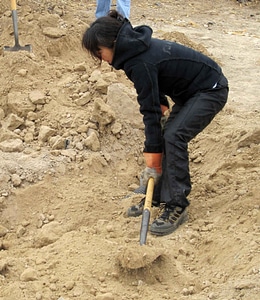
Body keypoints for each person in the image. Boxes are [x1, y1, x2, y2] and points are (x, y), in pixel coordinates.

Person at [82, 10, 229, 236]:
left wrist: (153, 160)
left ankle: (177, 205)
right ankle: (158, 196)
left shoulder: (138, 61)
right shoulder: (133, 54)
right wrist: (160, 108)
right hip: (189, 92)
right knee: (168, 133)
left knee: (173, 136)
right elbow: (153, 92)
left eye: (99, 52)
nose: (100, 58)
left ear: (112, 43)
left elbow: (149, 112)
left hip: (210, 89)